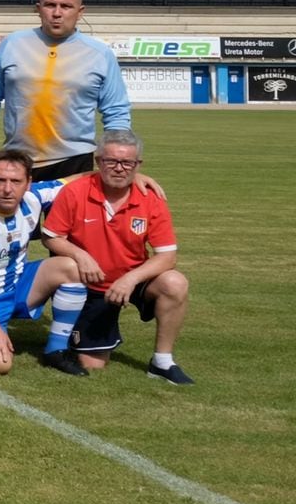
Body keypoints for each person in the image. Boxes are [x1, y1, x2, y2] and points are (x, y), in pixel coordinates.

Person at [39, 130, 193, 383]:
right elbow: (51, 237)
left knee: (175, 282)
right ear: (99, 162)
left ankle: (162, 362)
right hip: (90, 285)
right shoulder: (75, 192)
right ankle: (73, 335)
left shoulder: (151, 199)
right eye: (111, 161)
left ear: (137, 166)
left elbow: (167, 257)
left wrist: (130, 279)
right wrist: (80, 255)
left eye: (127, 163)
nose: (119, 168)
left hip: (132, 278)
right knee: (94, 364)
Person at [0, 147, 90, 377]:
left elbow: (79, 179)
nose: (8, 189)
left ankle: (56, 349)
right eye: (0, 180)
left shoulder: (34, 197)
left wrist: (135, 176)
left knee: (71, 267)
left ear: (28, 182)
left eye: (15, 181)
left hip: (18, 286)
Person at [0, 0, 131, 186]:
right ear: (38, 9)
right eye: (50, 5)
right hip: (17, 161)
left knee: (67, 220)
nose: (57, 13)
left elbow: (116, 112)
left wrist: (117, 158)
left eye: (66, 6)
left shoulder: (100, 54)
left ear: (80, 12)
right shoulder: (12, 44)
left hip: (74, 163)